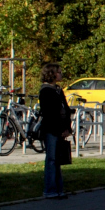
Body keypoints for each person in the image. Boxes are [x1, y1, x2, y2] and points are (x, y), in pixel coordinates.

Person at [39, 63, 73, 198]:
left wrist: (67, 128)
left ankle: (58, 188)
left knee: (57, 159)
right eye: (58, 72)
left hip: (60, 129)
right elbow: (50, 113)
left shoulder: (58, 90)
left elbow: (65, 109)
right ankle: (50, 189)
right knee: (52, 159)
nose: (61, 74)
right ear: (52, 74)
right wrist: (59, 129)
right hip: (51, 130)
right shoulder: (46, 91)